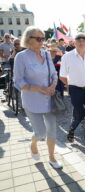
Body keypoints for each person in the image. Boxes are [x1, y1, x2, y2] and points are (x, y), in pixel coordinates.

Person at [13, 26, 62, 168]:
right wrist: (39, 88)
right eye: (38, 38)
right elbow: (18, 81)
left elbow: (53, 73)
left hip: (49, 100)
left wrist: (53, 85)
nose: (42, 41)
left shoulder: (46, 54)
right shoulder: (21, 57)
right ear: (29, 40)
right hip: (32, 101)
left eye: (43, 38)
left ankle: (52, 158)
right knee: (40, 132)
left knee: (52, 131)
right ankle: (33, 143)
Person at [59, 33, 85, 152]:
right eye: (79, 40)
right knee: (79, 114)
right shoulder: (67, 57)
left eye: (84, 40)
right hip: (75, 89)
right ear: (74, 42)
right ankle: (72, 129)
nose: (81, 42)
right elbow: (62, 76)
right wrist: (71, 86)